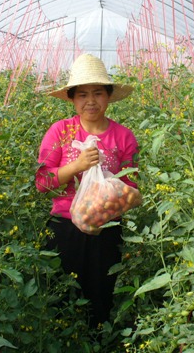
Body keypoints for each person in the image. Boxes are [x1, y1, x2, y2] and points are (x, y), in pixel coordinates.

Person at [35, 53, 139, 327]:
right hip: (65, 227)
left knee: (100, 293)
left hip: (106, 228)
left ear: (108, 96)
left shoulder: (123, 137)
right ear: (72, 99)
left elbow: (130, 185)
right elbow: (42, 182)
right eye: (82, 94)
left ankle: (98, 338)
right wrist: (77, 166)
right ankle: (64, 339)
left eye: (97, 93)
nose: (90, 101)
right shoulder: (60, 132)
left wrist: (117, 196)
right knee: (62, 294)